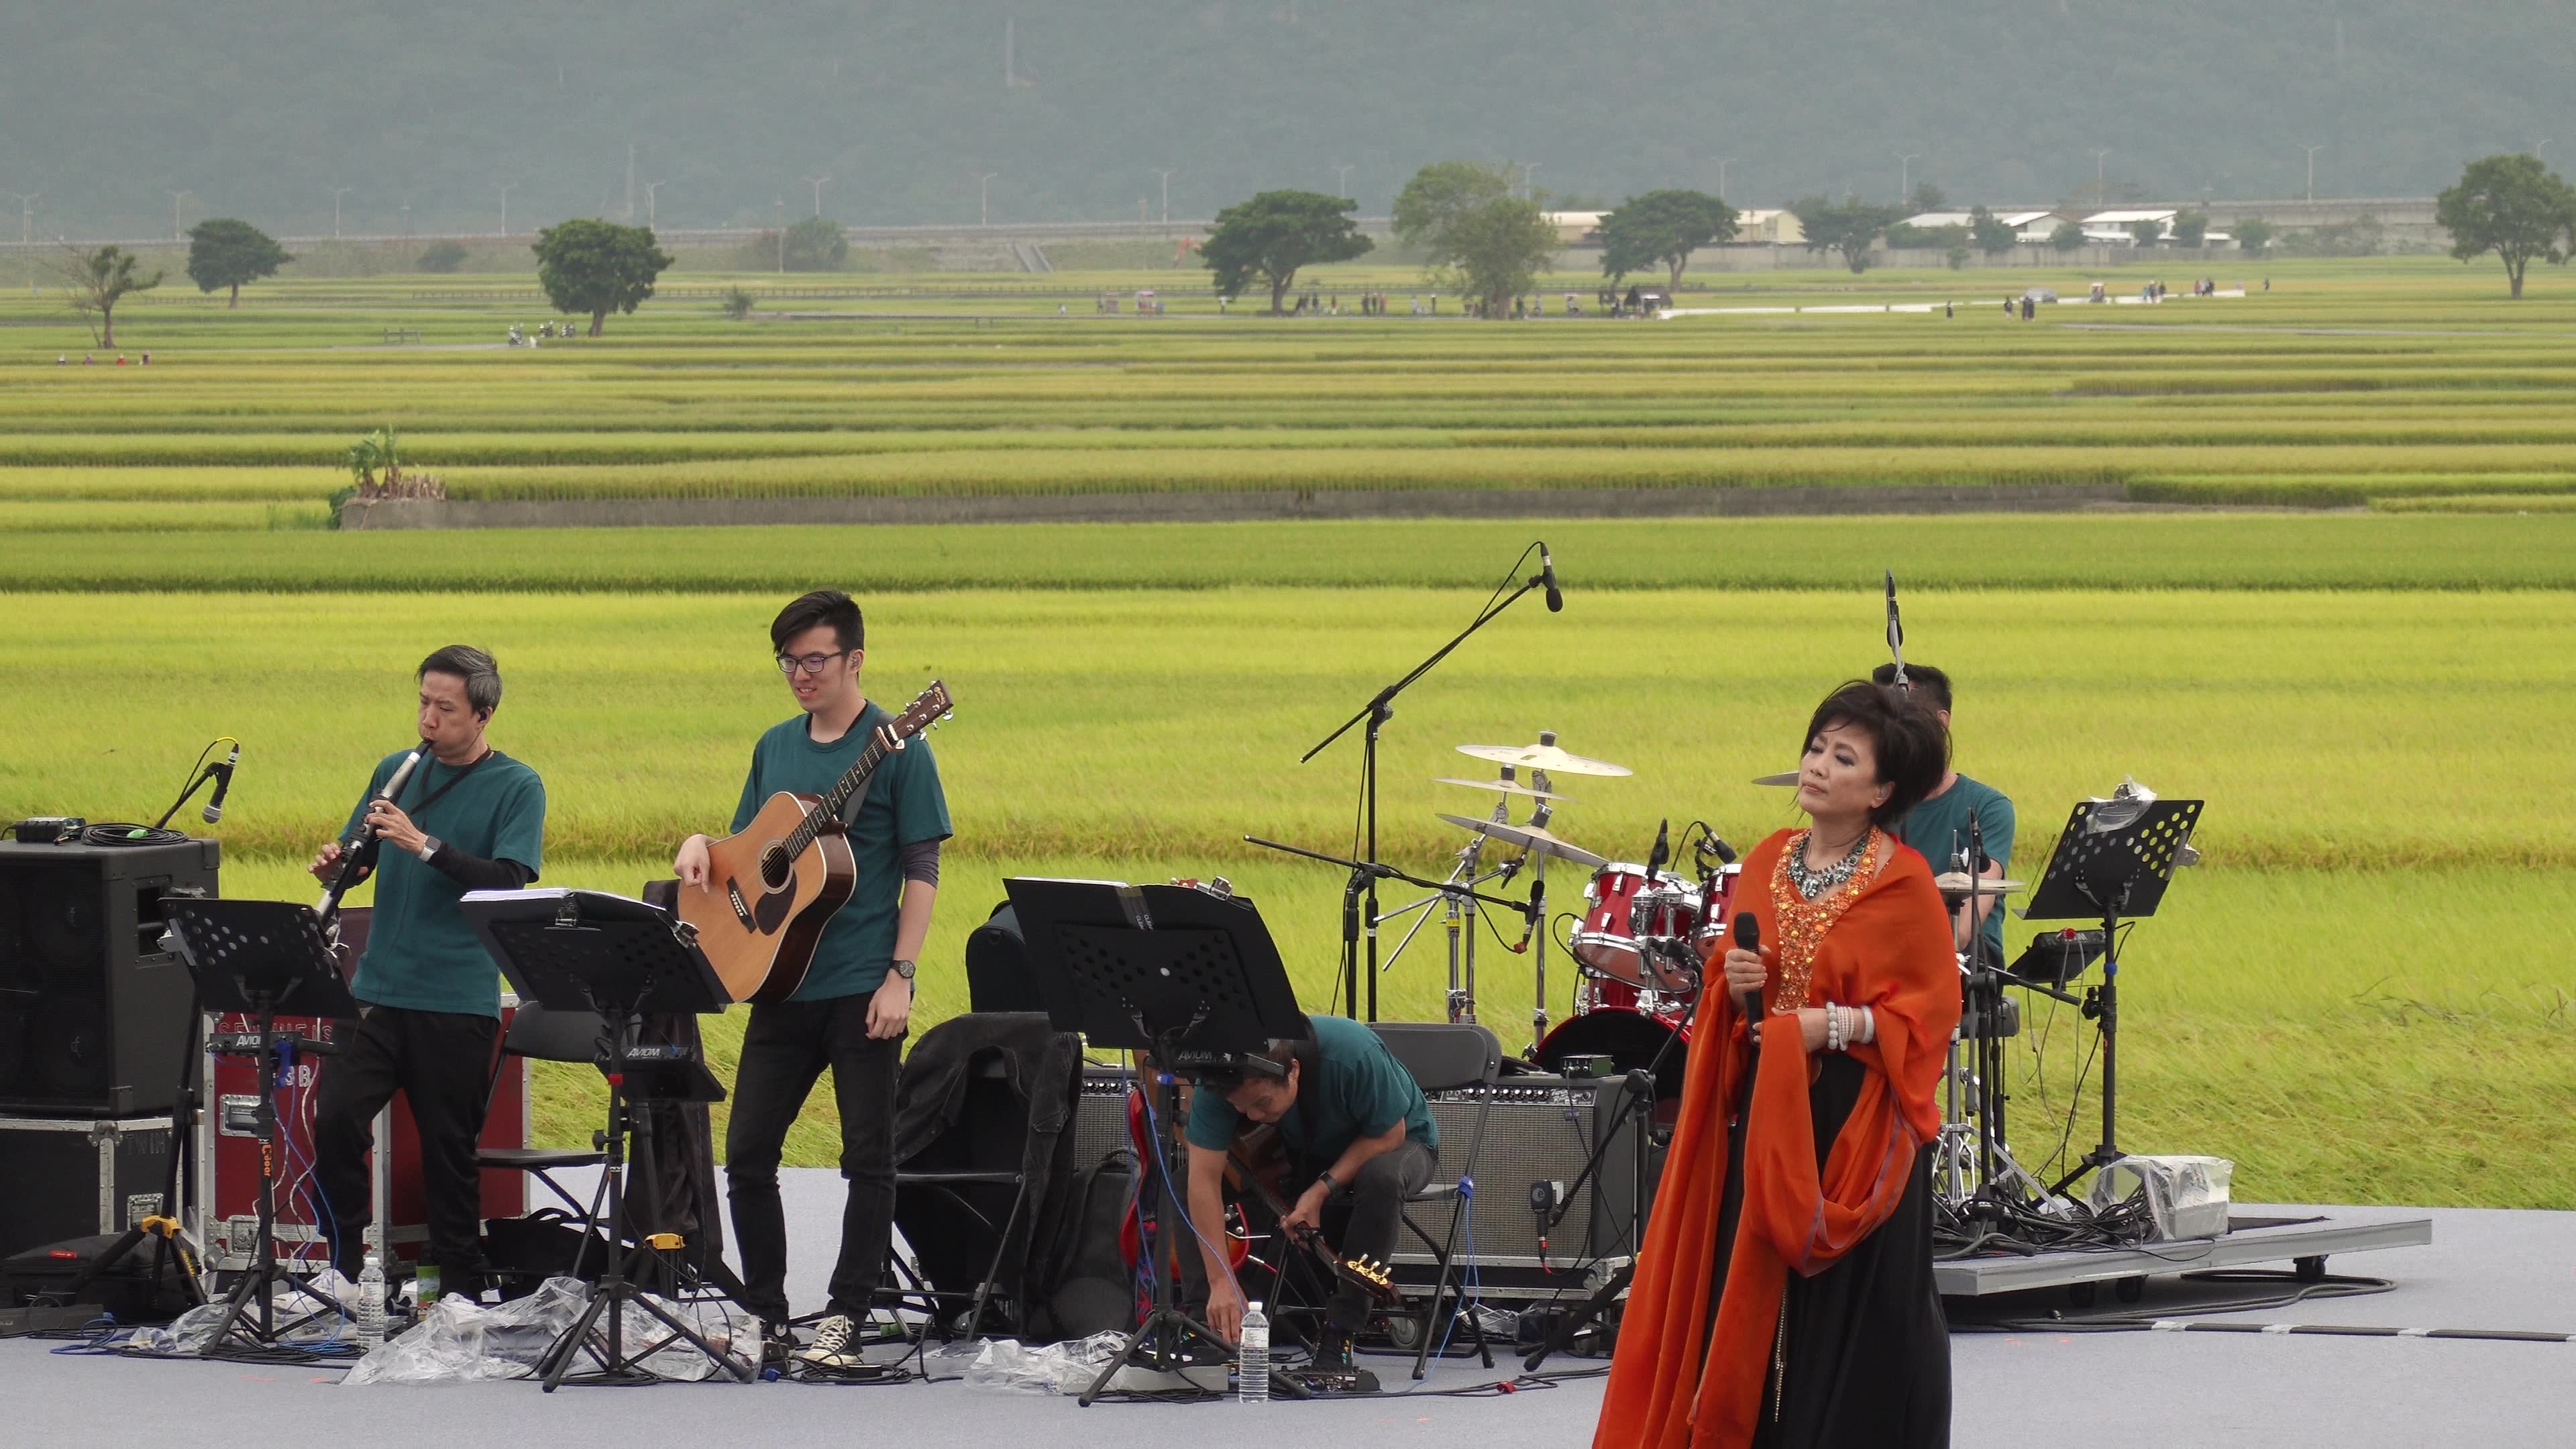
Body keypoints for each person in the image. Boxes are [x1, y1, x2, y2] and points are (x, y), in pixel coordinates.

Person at [1595, 680, 1957, 1449]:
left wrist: (1831, 1025)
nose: (1818, 766)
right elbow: (1735, 974)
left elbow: (1930, 1016)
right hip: (1768, 1115)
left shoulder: (1904, 884)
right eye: (1818, 746)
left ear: (1882, 790)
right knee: (1751, 1295)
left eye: (1844, 757)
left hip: (1851, 1123)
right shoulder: (1769, 859)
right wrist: (1735, 978)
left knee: (1853, 1316)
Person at [676, 590, 950, 1371]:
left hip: (863, 984)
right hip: (780, 985)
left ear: (855, 659)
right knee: (749, 1152)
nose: (801, 673)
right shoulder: (775, 746)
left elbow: (923, 868)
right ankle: (764, 1311)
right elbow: (741, 849)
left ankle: (848, 1315)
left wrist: (901, 976)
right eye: (789, 661)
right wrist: (698, 842)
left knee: (868, 1158)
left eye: (815, 659)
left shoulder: (901, 748)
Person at [308, 646, 547, 1295]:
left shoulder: (518, 785)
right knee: (334, 1121)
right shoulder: (397, 769)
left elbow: (508, 882)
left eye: (446, 708)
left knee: (448, 1152)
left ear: (484, 714)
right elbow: (365, 859)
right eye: (423, 703)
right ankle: (348, 1269)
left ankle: (461, 1290)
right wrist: (340, 865)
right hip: (378, 989)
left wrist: (425, 845)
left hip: (455, 996)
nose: (429, 719)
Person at [1184, 1016, 1437, 1390]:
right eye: (1242, 1110)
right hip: (1308, 1152)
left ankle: (1341, 1334)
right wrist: (1220, 1279)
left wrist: (1319, 1191)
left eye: (1262, 1103)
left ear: (1294, 1071)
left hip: (1399, 1144)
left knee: (1380, 1178)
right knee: (1178, 1179)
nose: (1254, 1117)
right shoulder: (1219, 1080)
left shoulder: (1353, 1053)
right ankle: (1205, 1324)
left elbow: (1390, 1133)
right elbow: (1202, 1179)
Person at [1872, 663, 2015, 964]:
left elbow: (1961, 931)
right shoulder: (1869, 802)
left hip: (1966, 961)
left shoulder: (1989, 807)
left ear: (1942, 721)